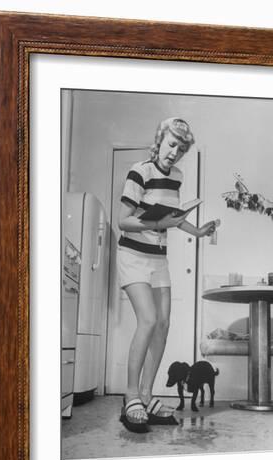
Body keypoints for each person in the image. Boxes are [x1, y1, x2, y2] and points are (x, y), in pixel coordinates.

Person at [117, 117, 219, 433]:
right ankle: (131, 395)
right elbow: (124, 220)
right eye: (171, 144)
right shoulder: (140, 171)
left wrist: (198, 231)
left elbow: (173, 217)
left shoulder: (177, 176)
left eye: (181, 149)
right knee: (147, 320)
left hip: (159, 260)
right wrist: (157, 224)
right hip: (132, 256)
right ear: (160, 139)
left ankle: (147, 396)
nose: (175, 153)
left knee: (163, 325)